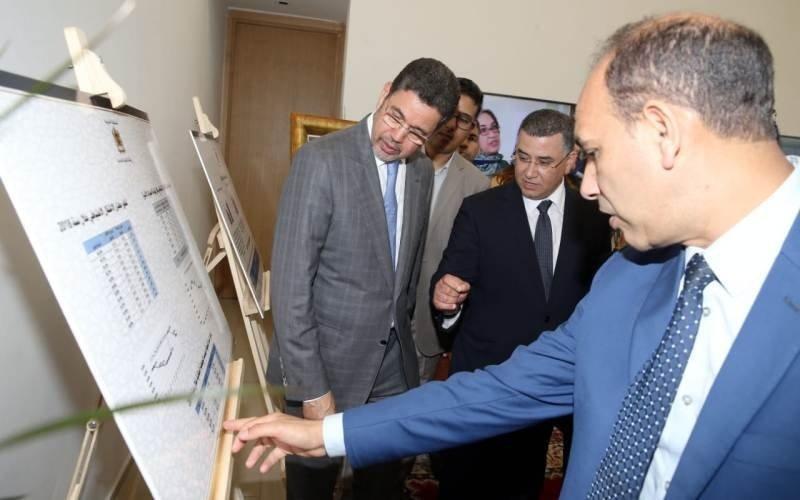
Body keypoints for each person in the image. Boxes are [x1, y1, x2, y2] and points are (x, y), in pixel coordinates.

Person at [227, 14, 800, 500]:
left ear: (664, 133)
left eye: (593, 155)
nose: (588, 187)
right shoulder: (628, 280)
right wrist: (329, 433)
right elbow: (502, 391)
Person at [265, 57, 459, 500]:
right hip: (324, 365)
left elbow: (404, 276)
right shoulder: (320, 161)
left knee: (382, 488)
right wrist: (312, 391)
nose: (398, 137)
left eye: (417, 134)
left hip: (393, 369)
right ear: (385, 92)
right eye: (395, 116)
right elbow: (291, 290)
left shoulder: (421, 172)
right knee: (312, 489)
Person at [431, 109, 610, 499]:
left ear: (570, 160)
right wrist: (445, 297)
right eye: (522, 156)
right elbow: (450, 275)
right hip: (487, 377)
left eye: (544, 162)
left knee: (525, 484)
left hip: (554, 380)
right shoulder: (481, 210)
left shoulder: (595, 219)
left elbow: (597, 297)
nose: (528, 171)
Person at [415, 77, 490, 383]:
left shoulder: (477, 186)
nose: (451, 124)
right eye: (448, 112)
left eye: (463, 119)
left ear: (471, 127)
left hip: (426, 329)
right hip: (371, 321)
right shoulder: (397, 159)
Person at [473, 109, 510, 175]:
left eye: (494, 127)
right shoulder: (465, 167)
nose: (492, 135)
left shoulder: (507, 168)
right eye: (483, 130)